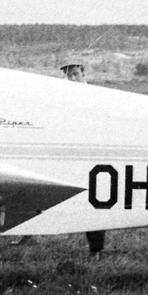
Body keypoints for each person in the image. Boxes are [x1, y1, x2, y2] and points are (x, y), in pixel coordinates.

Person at [60, 59, 106, 257]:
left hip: (93, 157)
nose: (71, 78)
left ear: (83, 74)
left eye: (75, 74)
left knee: (94, 203)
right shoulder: (65, 98)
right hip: (73, 156)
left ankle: (95, 250)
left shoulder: (94, 96)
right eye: (68, 75)